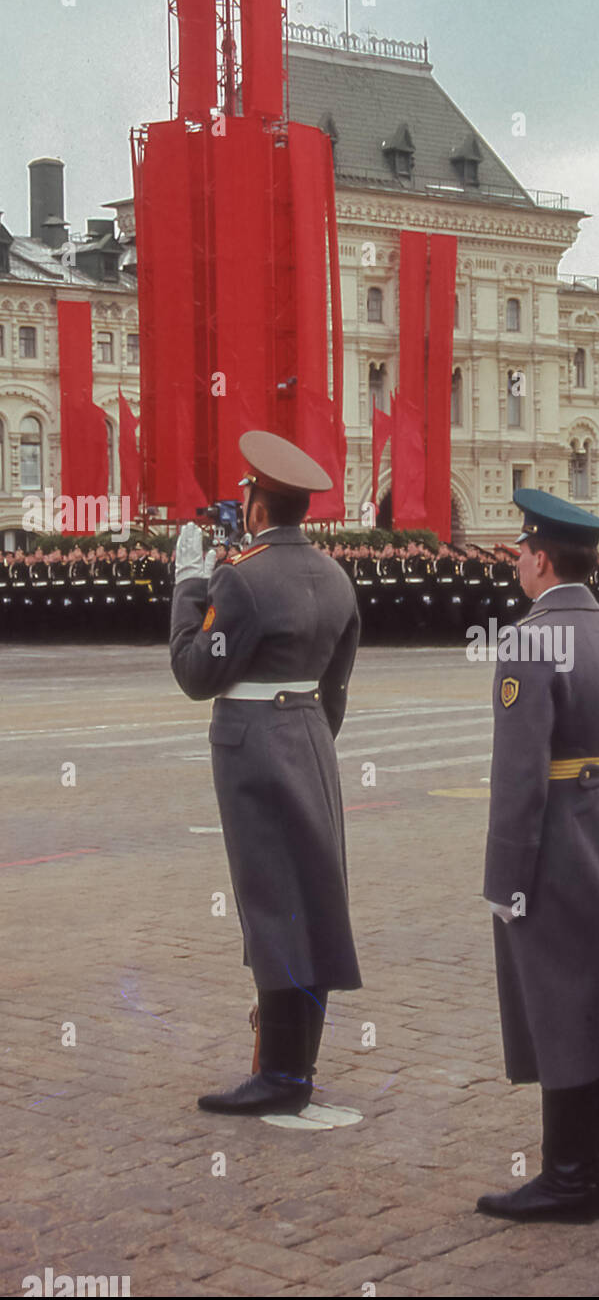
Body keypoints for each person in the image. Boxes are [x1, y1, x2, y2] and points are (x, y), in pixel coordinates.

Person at [477, 488, 599, 1224]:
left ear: (543, 558)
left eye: (522, 550)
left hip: (552, 836)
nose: (517, 561)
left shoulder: (527, 639)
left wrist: (503, 877)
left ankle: (567, 1177)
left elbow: (518, 774)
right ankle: (597, 1169)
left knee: (559, 1004)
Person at [170, 431, 362, 1116]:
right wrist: (306, 734)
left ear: (255, 505)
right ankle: (295, 1067)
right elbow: (336, 686)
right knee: (309, 901)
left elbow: (196, 672)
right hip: (310, 735)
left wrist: (188, 586)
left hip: (254, 744)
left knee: (271, 905)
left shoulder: (242, 577)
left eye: (246, 493)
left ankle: (280, 1076)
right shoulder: (336, 576)